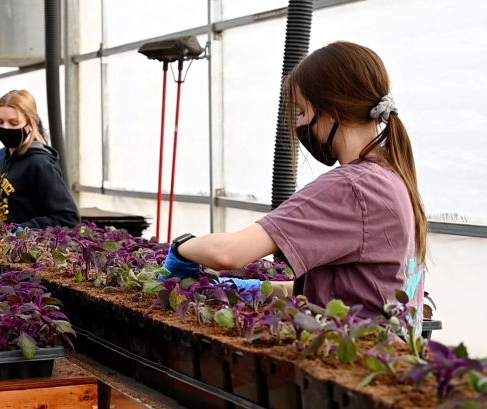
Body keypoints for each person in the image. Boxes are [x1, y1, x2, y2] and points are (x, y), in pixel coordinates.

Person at [162, 41, 427, 329]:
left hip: (347, 359)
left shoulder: (352, 187)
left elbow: (229, 252)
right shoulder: (392, 177)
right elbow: (346, 293)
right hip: (378, 357)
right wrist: (238, 287)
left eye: (302, 111)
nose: (299, 123)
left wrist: (182, 249)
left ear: (330, 110)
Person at [0, 90, 80, 229]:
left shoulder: (40, 164)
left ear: (30, 124)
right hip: (2, 247)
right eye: (0, 121)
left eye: (14, 123)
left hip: (29, 249)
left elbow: (67, 217)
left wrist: (24, 229)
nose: (5, 127)